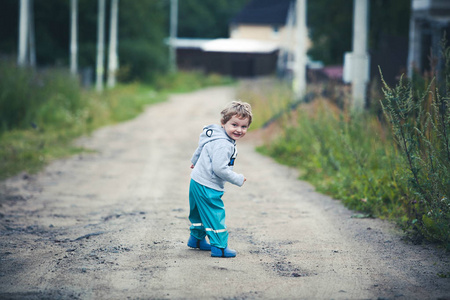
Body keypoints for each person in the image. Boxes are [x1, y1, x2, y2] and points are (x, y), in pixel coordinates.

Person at [187, 101, 252, 258]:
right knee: (213, 213)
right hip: (207, 185)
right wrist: (238, 178)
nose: (238, 130)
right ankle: (219, 247)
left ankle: (196, 239)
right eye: (234, 125)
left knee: (198, 213)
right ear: (223, 123)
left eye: (244, 127)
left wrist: (194, 161)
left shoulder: (215, 133)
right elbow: (219, 168)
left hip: (196, 180)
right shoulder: (224, 144)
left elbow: (202, 145)